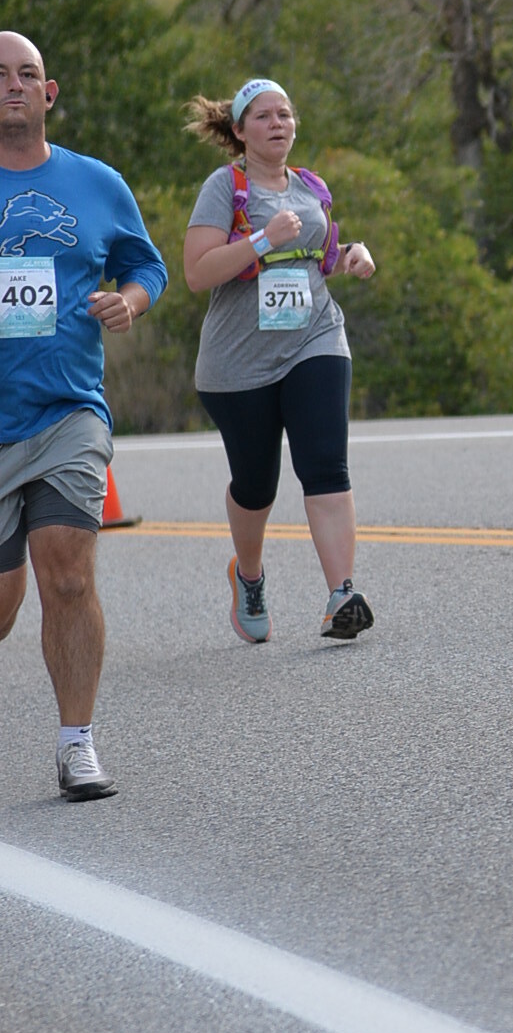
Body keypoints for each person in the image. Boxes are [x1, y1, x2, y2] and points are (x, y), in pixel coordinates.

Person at [0, 30, 167, 798]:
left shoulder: (96, 183)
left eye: (26, 73)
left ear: (49, 92)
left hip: (68, 411)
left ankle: (77, 745)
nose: (13, 85)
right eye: (0, 75)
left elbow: (146, 264)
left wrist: (129, 301)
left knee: (67, 575)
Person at [182, 78, 377, 643]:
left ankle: (342, 594)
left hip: (315, 338)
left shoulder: (311, 186)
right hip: (239, 362)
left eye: (285, 114)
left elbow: (318, 258)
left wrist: (352, 254)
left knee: (326, 465)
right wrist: (262, 239)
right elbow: (197, 272)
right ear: (240, 131)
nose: (278, 124)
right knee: (256, 485)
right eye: (264, 116)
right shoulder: (225, 187)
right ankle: (249, 575)